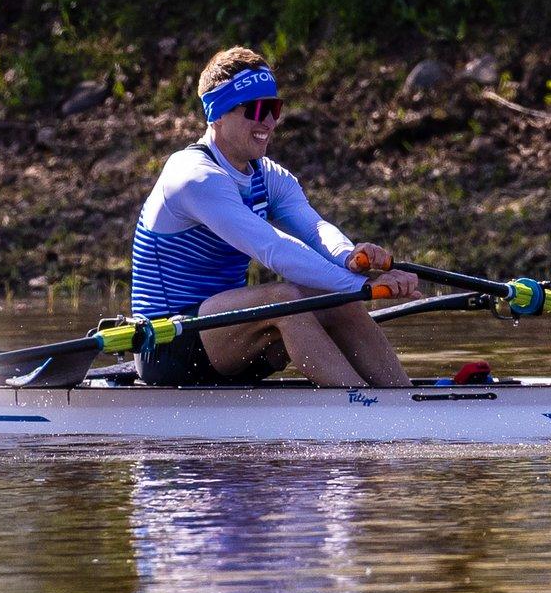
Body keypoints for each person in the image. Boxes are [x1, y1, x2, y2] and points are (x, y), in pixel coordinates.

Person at [129, 47, 421, 388]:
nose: (268, 121)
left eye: (274, 108)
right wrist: (362, 287)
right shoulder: (194, 176)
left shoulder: (267, 176)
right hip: (166, 346)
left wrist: (350, 258)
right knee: (284, 299)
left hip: (225, 337)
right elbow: (273, 248)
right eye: (256, 109)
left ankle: (402, 400)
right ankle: (359, 405)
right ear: (218, 113)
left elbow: (315, 228)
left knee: (334, 300)